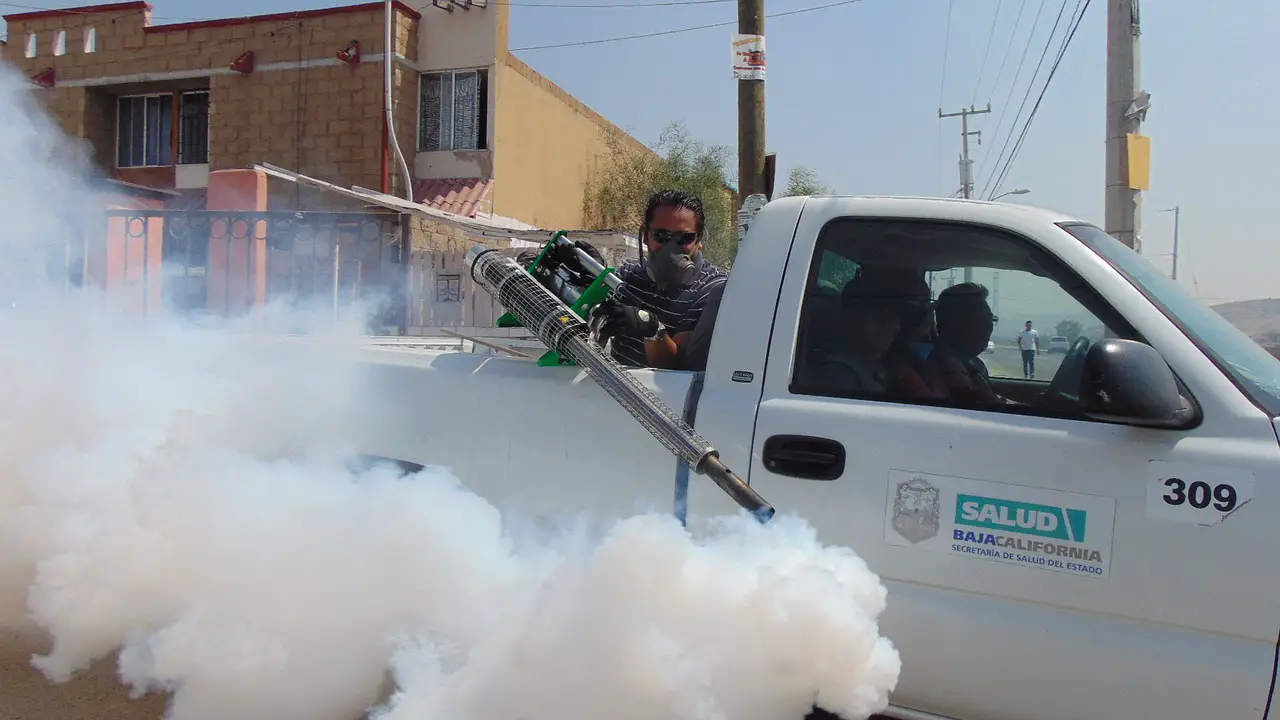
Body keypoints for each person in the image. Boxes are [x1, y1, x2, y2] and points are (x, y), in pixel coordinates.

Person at [591, 189, 728, 370]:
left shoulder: (713, 290)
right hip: (616, 387)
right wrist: (589, 278)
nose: (671, 248)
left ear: (699, 240)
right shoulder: (629, 274)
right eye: (661, 236)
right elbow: (587, 311)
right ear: (646, 235)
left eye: (684, 238)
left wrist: (652, 329)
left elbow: (678, 366)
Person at [929, 282, 1003, 404]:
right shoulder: (946, 372)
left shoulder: (973, 364)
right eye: (984, 319)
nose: (989, 327)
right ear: (955, 323)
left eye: (991, 319)